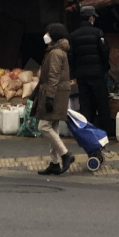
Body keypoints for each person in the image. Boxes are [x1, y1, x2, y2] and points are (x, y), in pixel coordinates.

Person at [35, 23, 76, 176]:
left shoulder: (55, 53)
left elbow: (53, 77)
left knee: (43, 126)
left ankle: (66, 155)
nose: (45, 35)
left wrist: (50, 97)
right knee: (54, 127)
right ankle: (54, 163)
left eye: (48, 33)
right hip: (60, 92)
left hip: (55, 93)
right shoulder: (60, 51)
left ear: (54, 35)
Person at [69, 5, 111, 134]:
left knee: (85, 103)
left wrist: (76, 71)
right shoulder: (98, 33)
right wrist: (104, 68)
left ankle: (87, 132)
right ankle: (106, 131)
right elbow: (105, 52)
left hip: (81, 75)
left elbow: (71, 57)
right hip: (97, 73)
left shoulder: (73, 35)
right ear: (91, 18)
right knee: (102, 102)